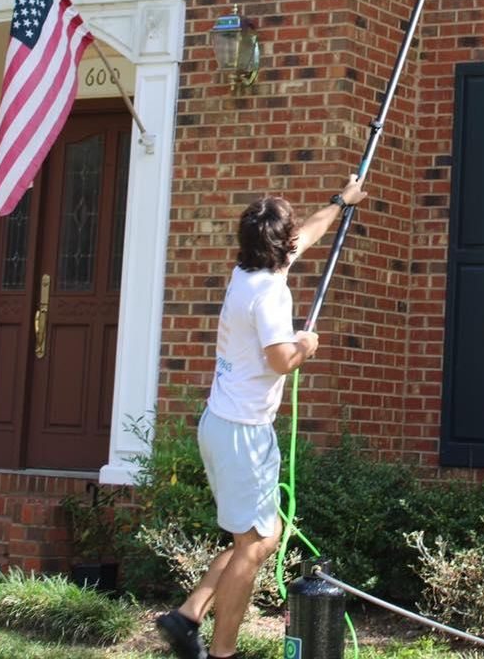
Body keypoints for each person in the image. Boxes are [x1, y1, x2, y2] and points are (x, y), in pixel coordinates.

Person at [156, 174, 367, 659]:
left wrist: (341, 201)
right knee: (254, 545)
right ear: (278, 244)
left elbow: (306, 234)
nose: (296, 241)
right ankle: (223, 651)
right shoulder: (269, 294)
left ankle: (188, 615)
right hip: (242, 433)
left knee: (260, 536)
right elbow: (280, 360)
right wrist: (305, 345)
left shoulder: (247, 270)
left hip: (227, 424)